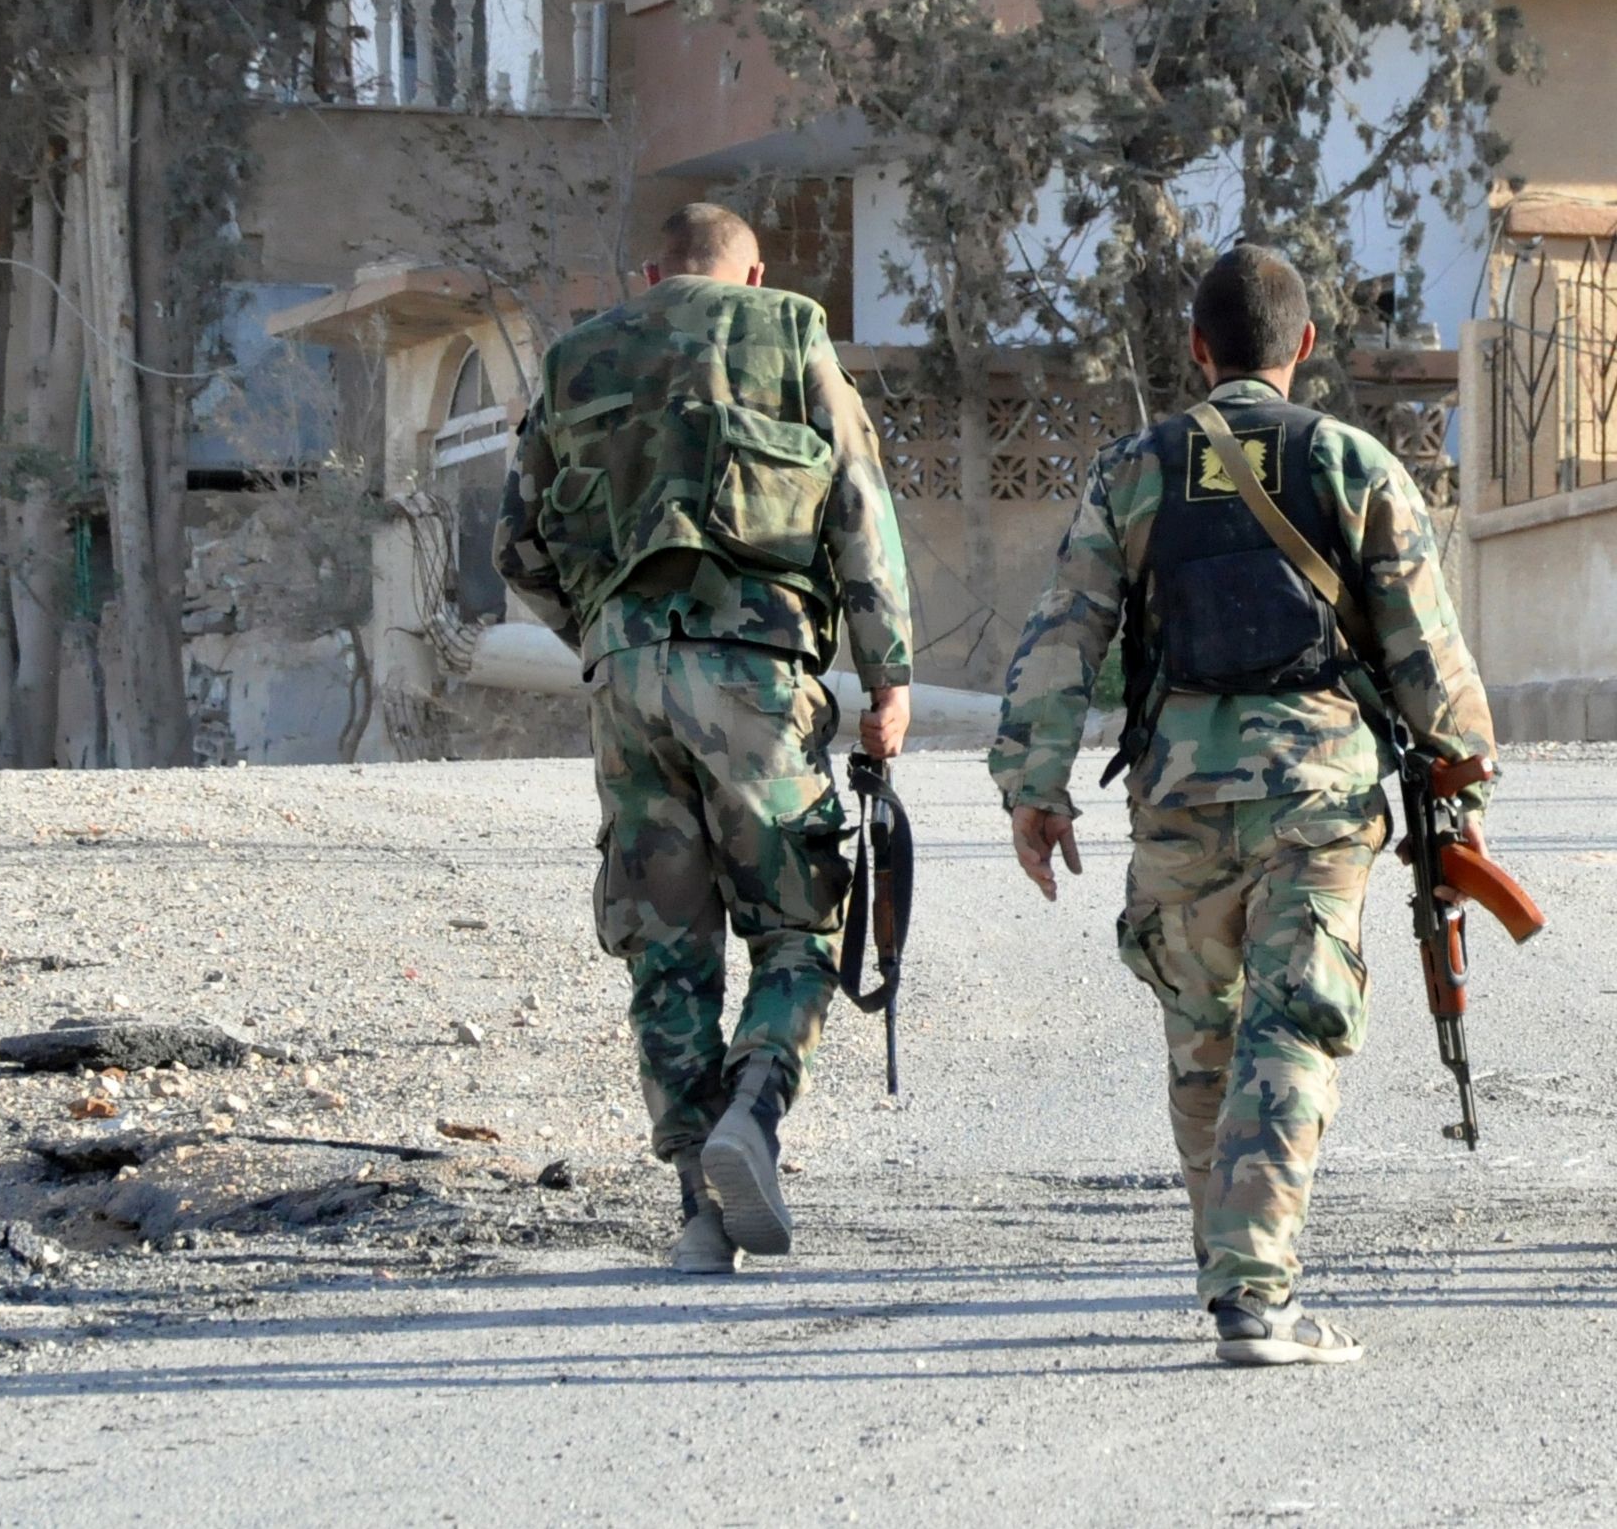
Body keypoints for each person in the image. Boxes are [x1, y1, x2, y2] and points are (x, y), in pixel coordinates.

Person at [986, 245, 1496, 1369]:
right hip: (1317, 793)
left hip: (1179, 795)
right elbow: (1426, 647)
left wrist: (1036, 785)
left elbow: (1066, 629)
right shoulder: (1352, 462)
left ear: (1197, 349)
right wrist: (1463, 787)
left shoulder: (1136, 468)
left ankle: (1229, 1271)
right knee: (1295, 1021)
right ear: (1305, 345)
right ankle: (1255, 1294)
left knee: (1202, 1033)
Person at [495, 201, 915, 1276]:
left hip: (627, 678)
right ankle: (751, 1113)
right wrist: (888, 676)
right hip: (757, 670)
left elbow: (519, 546)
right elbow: (857, 507)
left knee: (667, 945)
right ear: (754, 273)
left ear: (650, 274)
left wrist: (606, 634)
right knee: (797, 927)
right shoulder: (791, 330)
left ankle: (699, 1208)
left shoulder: (577, 357)